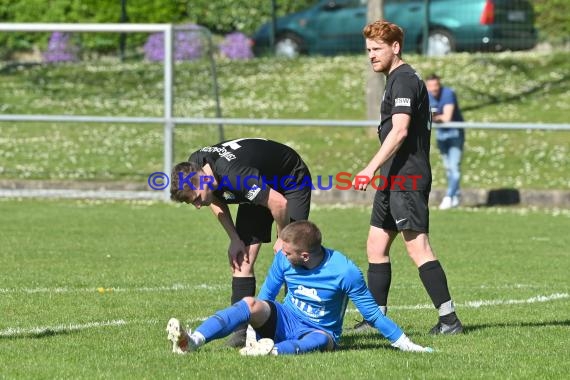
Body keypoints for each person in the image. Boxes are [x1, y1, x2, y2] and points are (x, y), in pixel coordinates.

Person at [166, 221, 433, 355]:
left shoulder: (345, 271)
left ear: (304, 255)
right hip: (286, 318)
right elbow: (267, 297)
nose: (279, 249)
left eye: (287, 248)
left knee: (317, 340)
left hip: (322, 331)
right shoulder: (284, 259)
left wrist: (407, 344)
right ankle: (192, 341)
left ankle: (271, 351)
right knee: (249, 304)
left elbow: (373, 315)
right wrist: (252, 328)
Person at [351, 20, 463, 334]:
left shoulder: (403, 80)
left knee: (418, 247)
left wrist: (369, 167)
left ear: (395, 47)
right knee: (375, 245)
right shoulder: (396, 80)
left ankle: (449, 320)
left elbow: (400, 131)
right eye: (369, 50)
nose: (371, 55)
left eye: (377, 49)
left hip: (406, 178)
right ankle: (377, 320)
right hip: (392, 179)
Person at [170, 138, 312, 347]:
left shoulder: (235, 175)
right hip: (259, 181)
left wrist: (284, 239)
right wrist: (234, 238)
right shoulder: (198, 165)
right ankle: (240, 333)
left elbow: (279, 203)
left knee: (293, 254)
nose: (198, 205)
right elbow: (215, 199)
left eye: (197, 198)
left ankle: (300, 325)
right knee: (241, 260)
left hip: (289, 178)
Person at [425, 73, 465, 210]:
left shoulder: (448, 94)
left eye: (435, 85)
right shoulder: (427, 95)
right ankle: (456, 196)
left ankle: (449, 197)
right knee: (448, 168)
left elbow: (447, 118)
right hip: (441, 134)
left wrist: (433, 117)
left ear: (439, 84)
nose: (433, 89)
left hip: (454, 133)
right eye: (430, 86)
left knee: (454, 167)